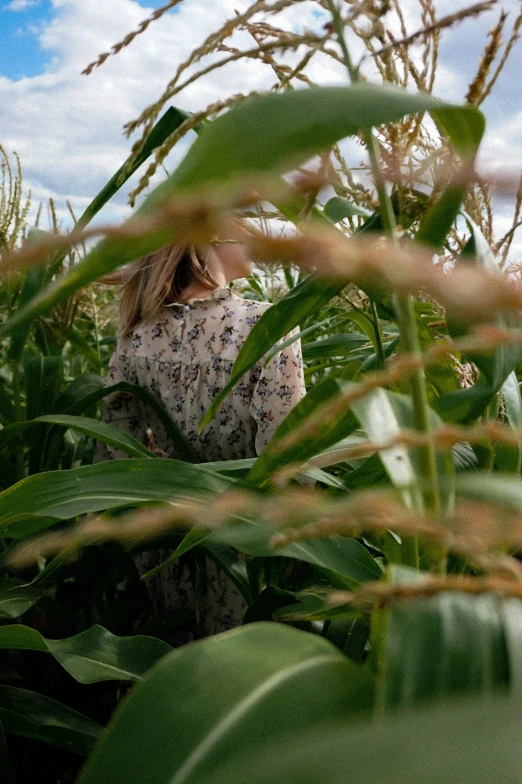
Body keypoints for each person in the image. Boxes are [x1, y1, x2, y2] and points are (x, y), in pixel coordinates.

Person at [95, 221, 306, 641]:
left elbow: (114, 458)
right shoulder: (266, 327)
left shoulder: (135, 338)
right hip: (246, 548)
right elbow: (290, 463)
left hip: (167, 545)